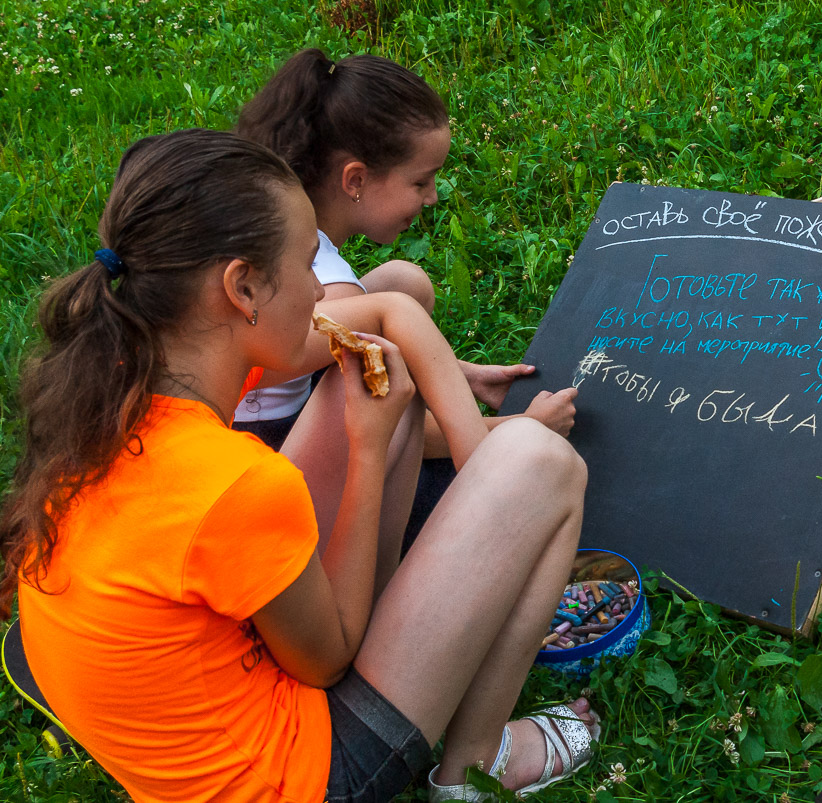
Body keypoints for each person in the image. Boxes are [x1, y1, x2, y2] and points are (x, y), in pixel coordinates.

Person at [0, 129, 599, 803]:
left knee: (363, 373)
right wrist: (368, 453)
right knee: (542, 460)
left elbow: (377, 318)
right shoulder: (234, 480)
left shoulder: (118, 382)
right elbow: (327, 661)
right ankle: (473, 766)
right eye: (309, 262)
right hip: (303, 777)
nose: (322, 286)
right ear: (243, 287)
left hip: (201, 702)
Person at [232, 48, 578, 454]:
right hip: (265, 449)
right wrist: (521, 427)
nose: (432, 197)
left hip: (269, 415)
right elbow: (368, 428)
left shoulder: (283, 239)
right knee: (386, 338)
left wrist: (462, 375)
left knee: (402, 281)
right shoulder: (333, 289)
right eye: (420, 182)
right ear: (355, 180)